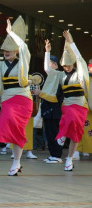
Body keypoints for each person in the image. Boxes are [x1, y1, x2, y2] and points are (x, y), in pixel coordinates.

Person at [0, 16, 33, 176]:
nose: (6, 52)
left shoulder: (23, 60)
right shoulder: (1, 65)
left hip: (23, 99)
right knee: (10, 125)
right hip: (8, 100)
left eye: (9, 50)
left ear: (16, 51)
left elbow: (24, 46)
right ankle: (16, 161)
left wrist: (11, 33)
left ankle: (16, 162)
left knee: (15, 126)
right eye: (4, 50)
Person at [40, 31, 89, 171]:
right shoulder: (60, 75)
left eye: (69, 65)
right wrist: (47, 53)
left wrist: (71, 42)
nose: (66, 67)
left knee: (76, 135)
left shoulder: (79, 74)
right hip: (67, 105)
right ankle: (61, 136)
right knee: (69, 118)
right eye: (64, 65)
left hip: (80, 105)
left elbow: (80, 58)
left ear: (72, 64)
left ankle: (69, 159)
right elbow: (47, 70)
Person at [35, 55, 64, 164]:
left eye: (50, 62)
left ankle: (57, 155)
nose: (47, 65)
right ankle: (53, 154)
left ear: (56, 65)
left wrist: (41, 93)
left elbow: (56, 95)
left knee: (54, 132)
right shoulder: (51, 77)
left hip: (55, 110)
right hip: (48, 110)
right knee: (49, 133)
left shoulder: (59, 76)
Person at [74, 59, 92, 159]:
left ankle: (87, 150)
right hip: (84, 107)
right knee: (81, 129)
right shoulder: (82, 77)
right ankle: (77, 151)